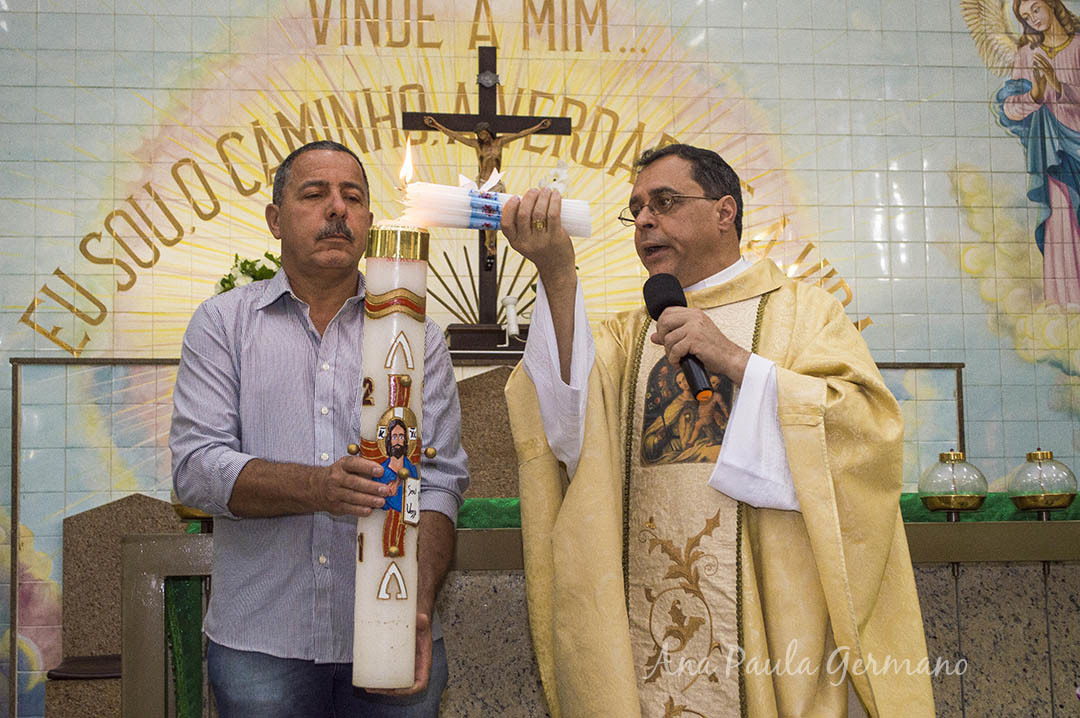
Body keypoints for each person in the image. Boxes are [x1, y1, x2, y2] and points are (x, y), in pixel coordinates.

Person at [501, 144, 933, 717]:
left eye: (666, 202)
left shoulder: (804, 312)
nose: (646, 220)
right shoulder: (627, 337)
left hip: (773, 627)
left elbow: (865, 431)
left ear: (725, 212)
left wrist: (736, 361)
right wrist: (557, 272)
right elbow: (564, 424)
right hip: (646, 625)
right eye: (637, 210)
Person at [170, 140, 469, 717]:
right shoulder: (223, 325)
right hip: (263, 643)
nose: (338, 209)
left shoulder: (418, 336)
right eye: (315, 194)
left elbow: (439, 483)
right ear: (275, 219)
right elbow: (195, 473)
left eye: (352, 197)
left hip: (391, 633)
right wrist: (318, 488)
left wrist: (418, 606)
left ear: (369, 224)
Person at [996, 0, 1080, 304]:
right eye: (1025, 15)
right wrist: (1035, 94)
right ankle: (1067, 304)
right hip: (1054, 153)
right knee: (1062, 223)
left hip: (1076, 141)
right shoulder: (1027, 55)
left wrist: (1058, 86)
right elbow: (1010, 108)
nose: (1033, 18)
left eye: (1036, 8)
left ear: (1052, 5)